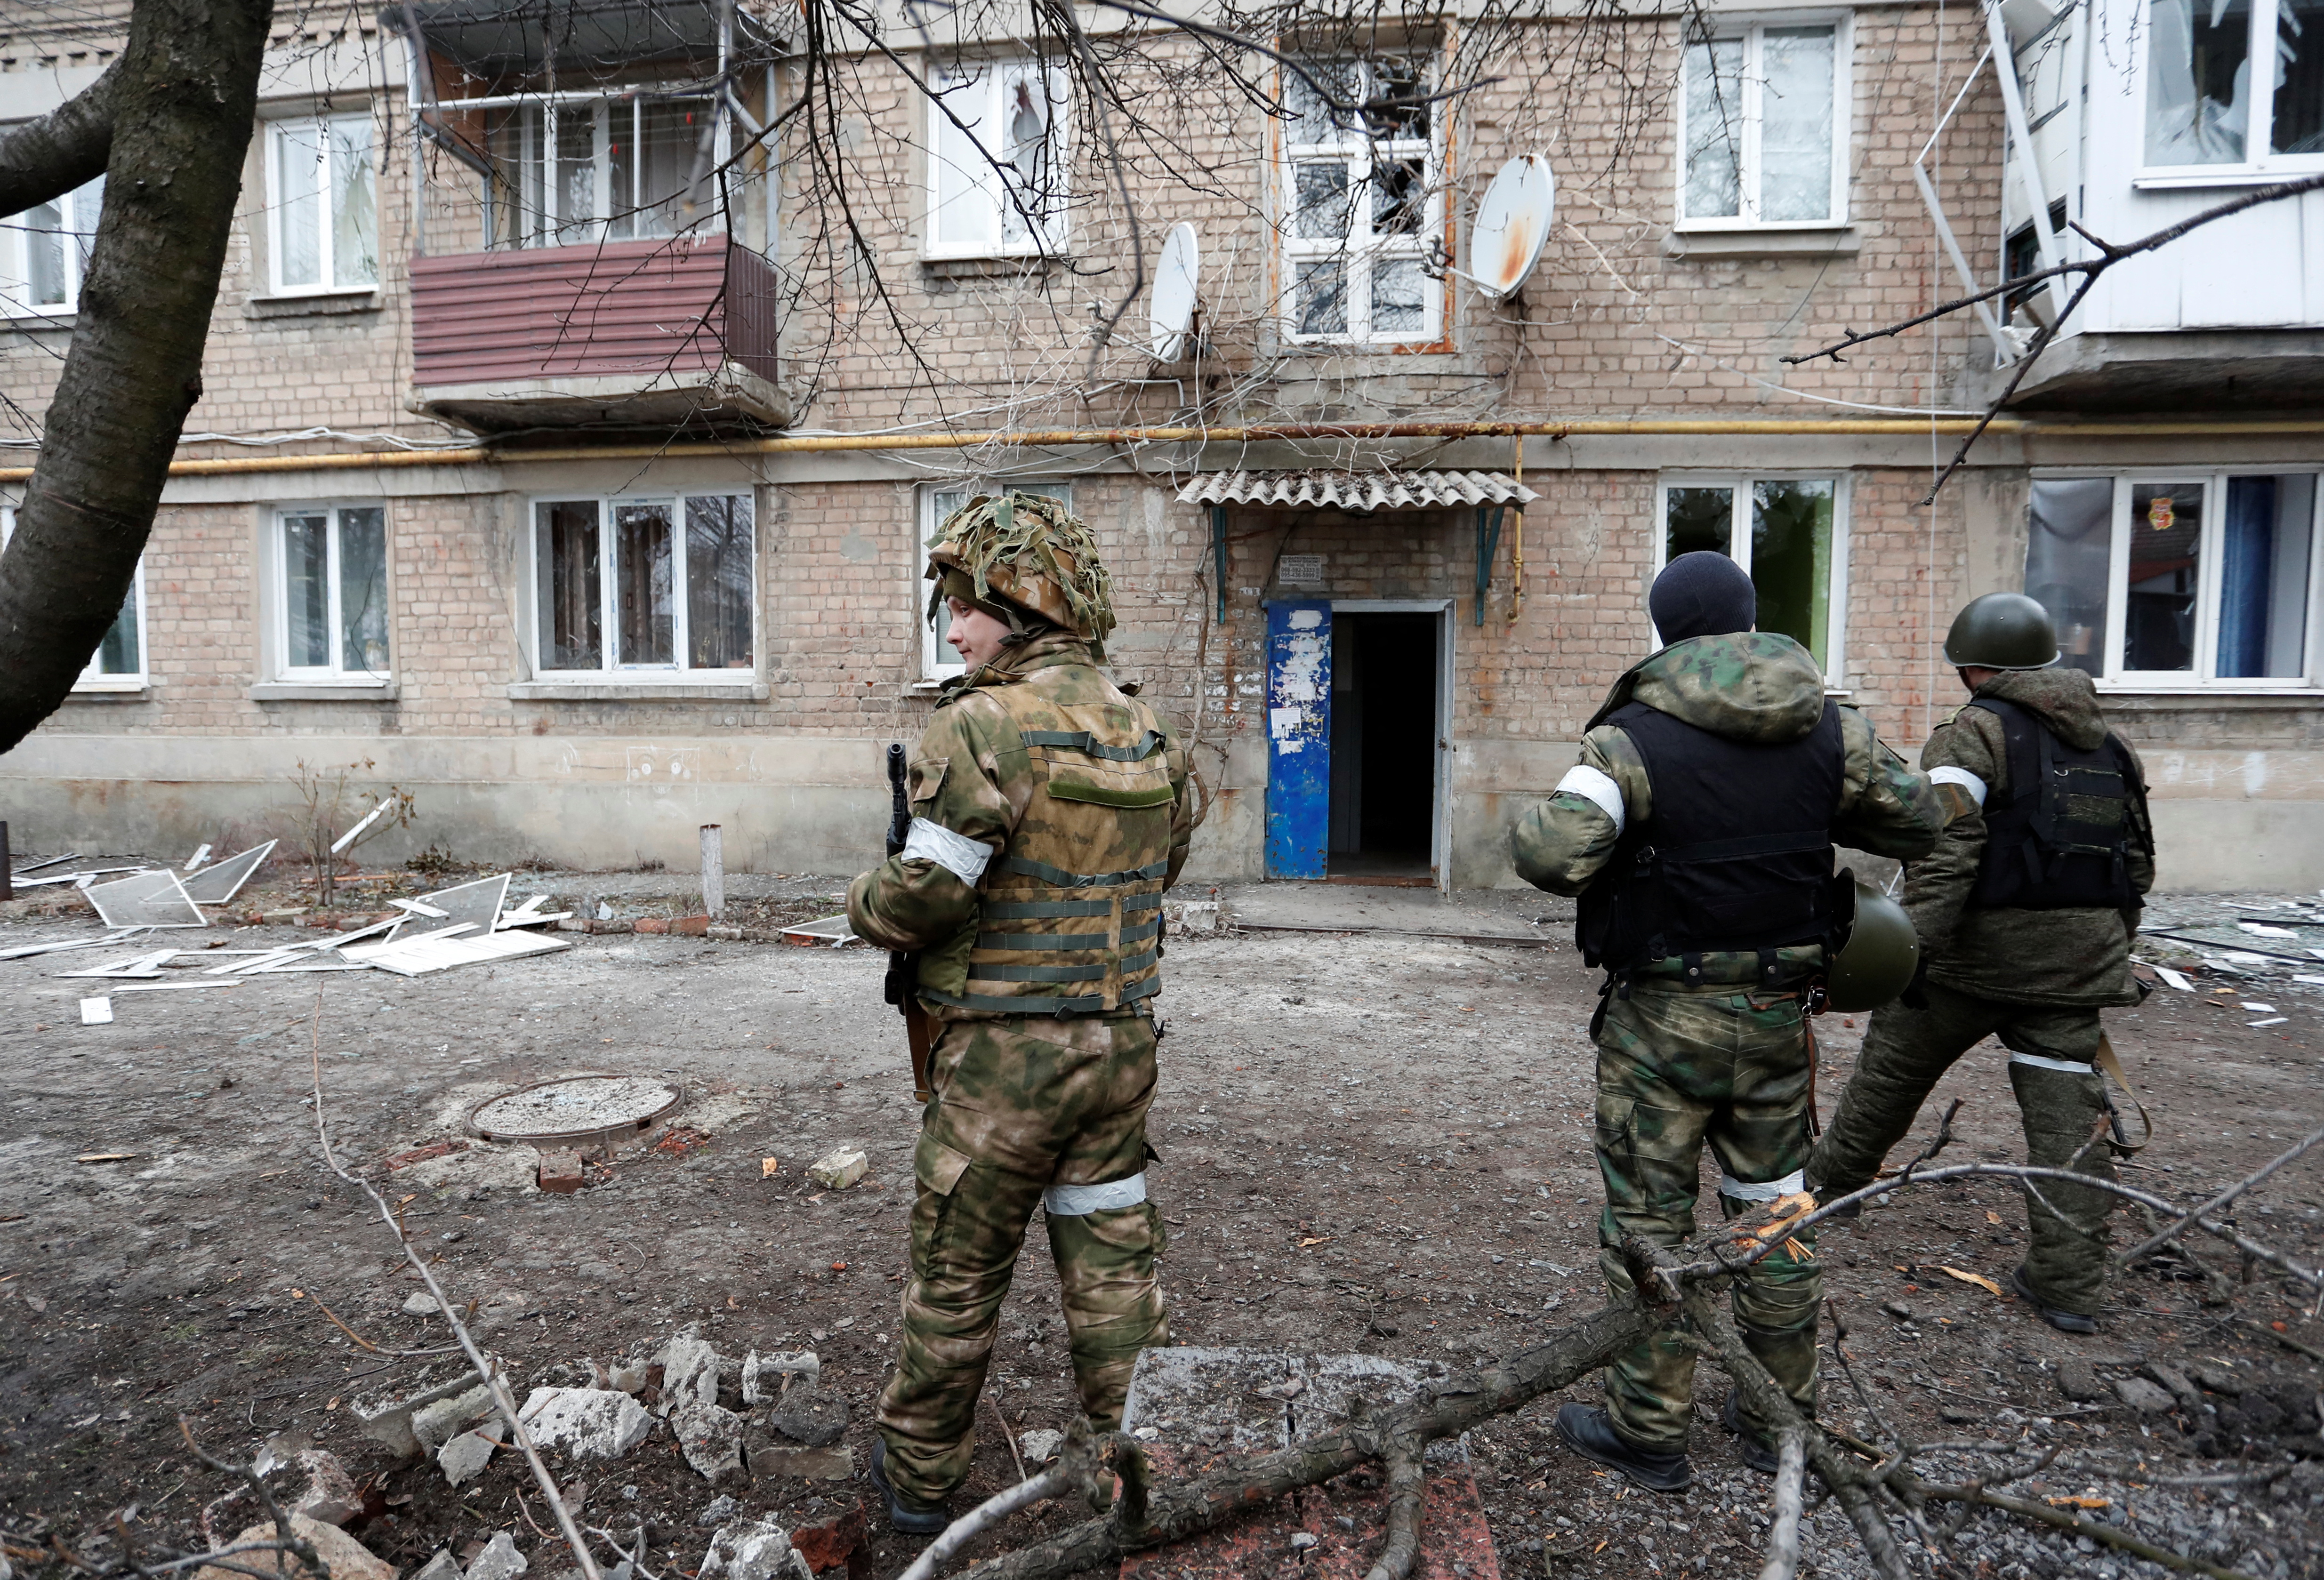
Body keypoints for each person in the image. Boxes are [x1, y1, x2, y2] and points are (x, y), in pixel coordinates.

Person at [1512, 551, 1945, 1492]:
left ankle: (1650, 1429)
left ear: (1663, 630)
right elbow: (1920, 819)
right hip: (1782, 1018)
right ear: (1753, 619)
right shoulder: (1832, 729)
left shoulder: (1631, 740)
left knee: (1649, 1223)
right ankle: (1779, 1423)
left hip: (1663, 1025)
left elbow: (1548, 854)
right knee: (1776, 1210)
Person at [848, 491, 1192, 1533]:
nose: (953, 629)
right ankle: (1134, 1471)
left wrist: (860, 896)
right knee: (1113, 1267)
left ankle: (915, 1483)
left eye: (967, 606)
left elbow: (925, 899)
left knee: (957, 1269)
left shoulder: (979, 725)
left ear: (1027, 604)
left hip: (1003, 1067)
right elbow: (1159, 870)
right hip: (1120, 1051)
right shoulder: (1146, 727)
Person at [1807, 592, 2155, 1336]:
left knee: (1888, 1078)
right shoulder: (2110, 747)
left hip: (1971, 962)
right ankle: (2067, 1284)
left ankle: (1823, 1197)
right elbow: (2136, 862)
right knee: (2068, 1119)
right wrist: (2106, 949)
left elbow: (1942, 852)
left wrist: (1912, 954)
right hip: (2075, 970)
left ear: (1973, 667)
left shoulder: (1971, 737)